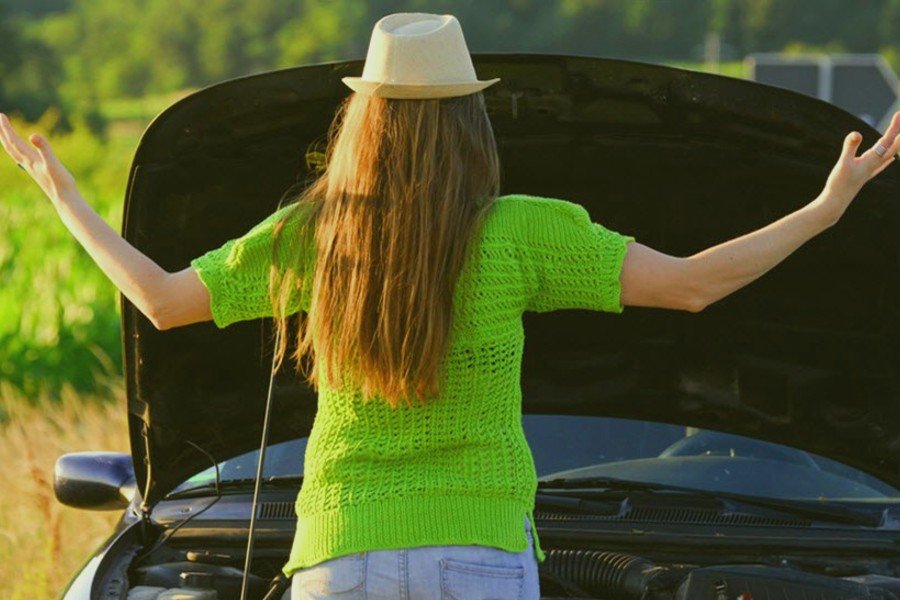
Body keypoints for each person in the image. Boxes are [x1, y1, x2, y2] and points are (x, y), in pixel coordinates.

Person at [1, 10, 898, 600]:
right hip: (476, 555)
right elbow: (695, 283)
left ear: (365, 121)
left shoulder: (316, 237)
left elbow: (157, 300)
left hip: (338, 558)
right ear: (471, 121)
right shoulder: (518, 234)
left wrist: (62, 195)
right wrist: (825, 207)